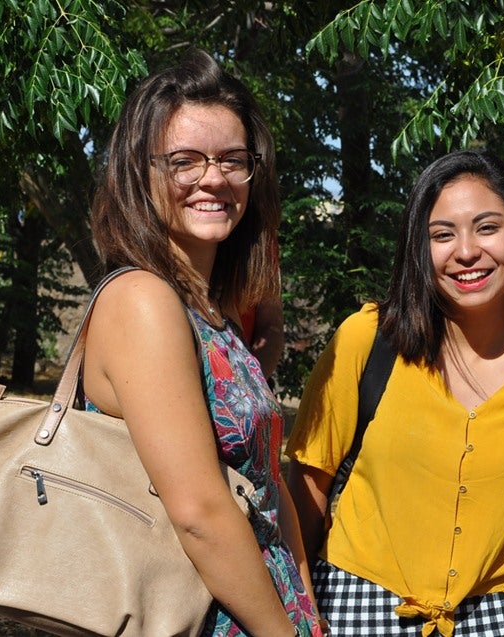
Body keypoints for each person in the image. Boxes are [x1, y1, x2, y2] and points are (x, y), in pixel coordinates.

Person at [285, 150, 504, 636]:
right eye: (442, 235)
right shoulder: (369, 340)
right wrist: (298, 615)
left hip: (499, 619)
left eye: (487, 227)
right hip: (354, 607)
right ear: (421, 250)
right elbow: (306, 492)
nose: (466, 251)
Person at [84, 49, 320, 637]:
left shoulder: (207, 310)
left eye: (232, 160)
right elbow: (199, 515)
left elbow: (265, 481)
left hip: (266, 611)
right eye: (184, 161)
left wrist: (306, 611)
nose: (212, 178)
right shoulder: (143, 301)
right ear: (141, 172)